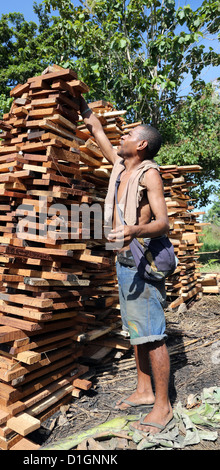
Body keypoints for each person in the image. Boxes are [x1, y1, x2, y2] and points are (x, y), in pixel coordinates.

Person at [79, 96, 173, 434]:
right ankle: (144, 391)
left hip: (142, 262)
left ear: (142, 144)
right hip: (122, 260)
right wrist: (81, 103)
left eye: (129, 134)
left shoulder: (150, 174)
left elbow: (163, 223)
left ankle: (163, 407)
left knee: (153, 333)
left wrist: (134, 229)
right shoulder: (120, 167)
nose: (122, 137)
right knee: (137, 332)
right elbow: (98, 131)